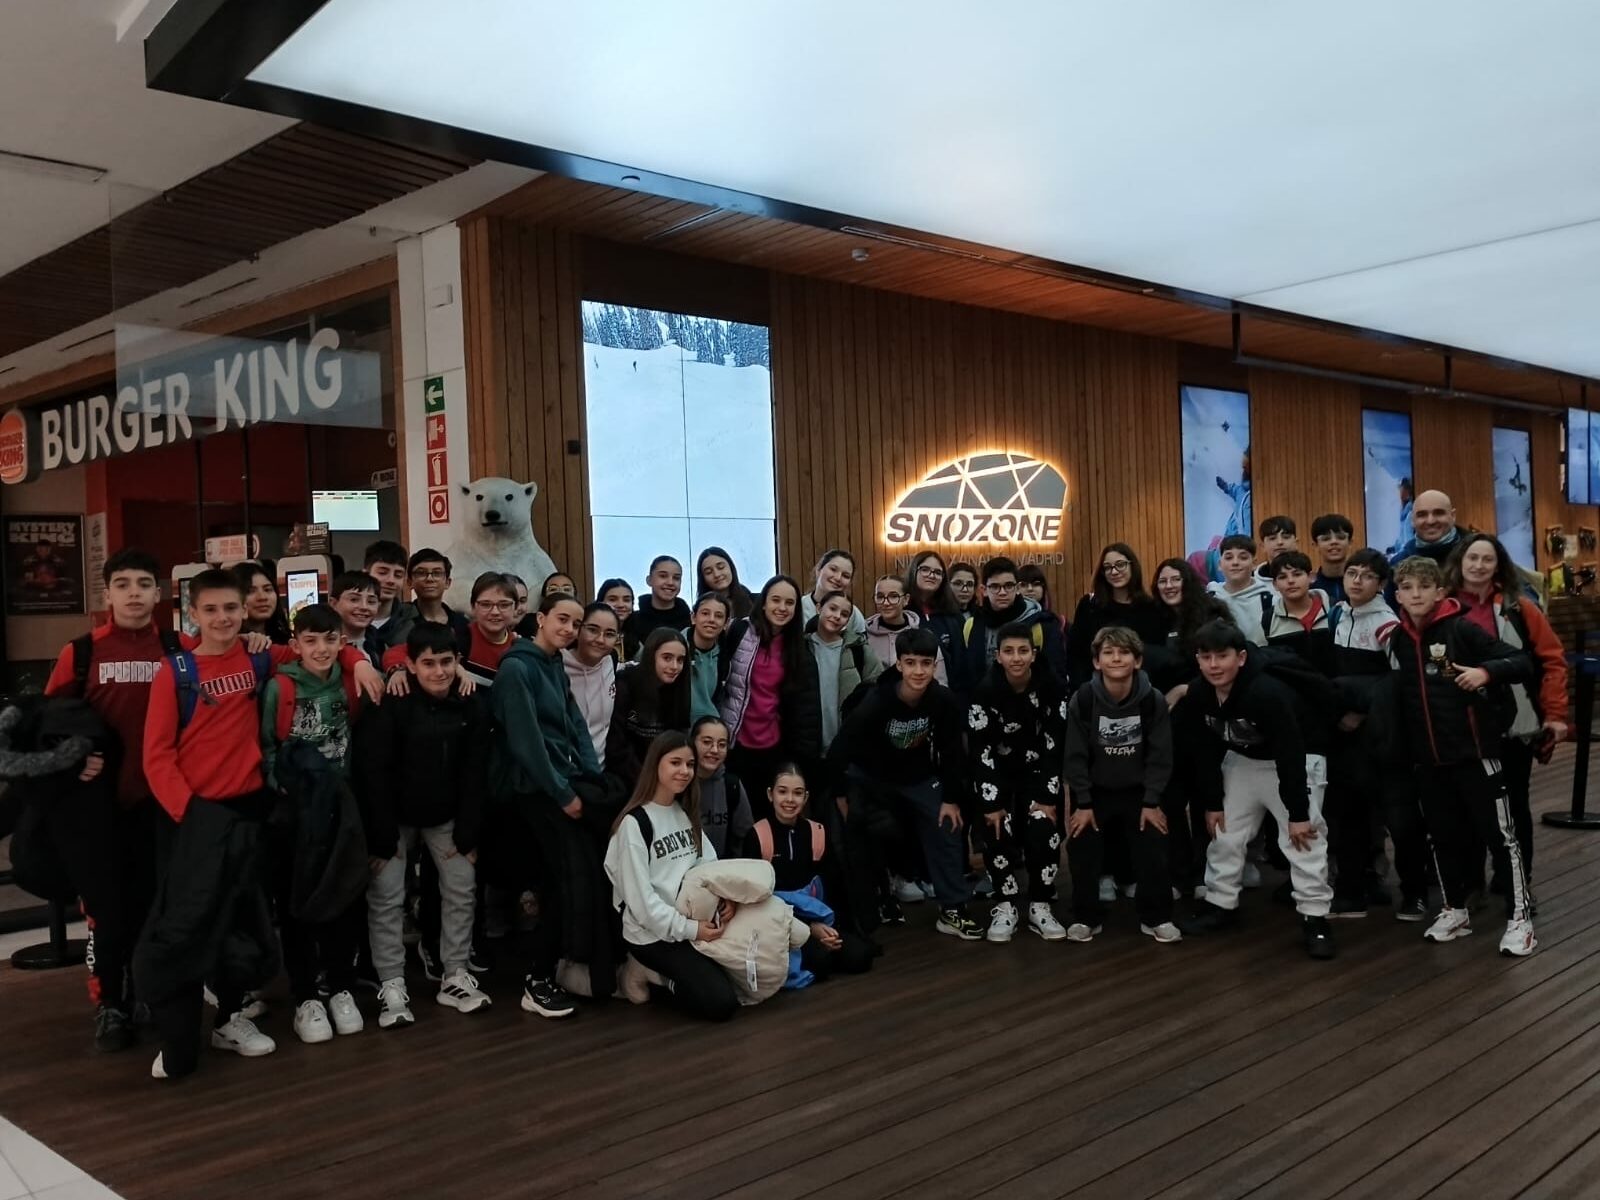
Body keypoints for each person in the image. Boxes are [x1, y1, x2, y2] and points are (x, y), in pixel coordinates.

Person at [137, 569, 379, 1079]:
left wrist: (360, 662)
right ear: (193, 613)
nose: (223, 618)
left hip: (253, 809)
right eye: (211, 610)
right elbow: (156, 755)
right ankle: (178, 1036)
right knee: (189, 926)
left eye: (231, 608)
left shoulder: (259, 657)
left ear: (244, 609)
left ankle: (231, 1017)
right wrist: (190, 815)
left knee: (244, 921)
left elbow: (320, 649)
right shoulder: (174, 671)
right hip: (196, 816)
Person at [43, 548, 175, 1051]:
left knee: (153, 906)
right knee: (106, 913)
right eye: (123, 584)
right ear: (108, 594)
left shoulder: (177, 646)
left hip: (159, 802)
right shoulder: (80, 653)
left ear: (158, 593)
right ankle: (110, 1005)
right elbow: (48, 727)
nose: (134, 593)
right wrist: (75, 759)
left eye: (143, 583)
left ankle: (144, 993)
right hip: (99, 809)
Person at [1388, 555, 1537, 955]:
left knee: (1500, 837)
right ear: (1398, 595)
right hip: (1430, 761)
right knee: (1442, 837)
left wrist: (1485, 672)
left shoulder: (1461, 628)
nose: (1415, 594)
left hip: (1476, 754)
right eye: (1407, 588)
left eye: (1424, 587)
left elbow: (1521, 661)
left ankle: (1520, 919)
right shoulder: (1399, 639)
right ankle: (1455, 910)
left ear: (1440, 592)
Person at [1173, 620, 1337, 960]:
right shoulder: (1200, 693)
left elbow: (1290, 751)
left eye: (1222, 656)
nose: (1214, 665)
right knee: (1225, 832)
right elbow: (1204, 750)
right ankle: (1220, 904)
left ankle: (1315, 917)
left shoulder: (1266, 692)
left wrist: (1297, 813)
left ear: (1241, 657)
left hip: (1296, 760)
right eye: (1206, 657)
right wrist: (1213, 802)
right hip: (1245, 757)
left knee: (1302, 838)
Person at [355, 621, 491, 1028]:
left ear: (457, 662)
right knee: (386, 896)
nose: (439, 671)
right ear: (410, 665)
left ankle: (455, 974)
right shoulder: (390, 701)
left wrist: (468, 832)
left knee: (462, 887)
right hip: (393, 817)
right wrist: (381, 838)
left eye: (446, 662)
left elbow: (475, 771)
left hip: (445, 814)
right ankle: (392, 984)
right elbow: (373, 772)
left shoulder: (470, 702)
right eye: (428, 663)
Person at [490, 593, 616, 1019]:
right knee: (559, 884)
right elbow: (526, 744)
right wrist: (564, 795)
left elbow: (575, 724)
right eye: (562, 619)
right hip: (535, 793)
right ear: (540, 619)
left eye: (576, 623)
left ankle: (559, 966)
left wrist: (591, 777)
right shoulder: (516, 668)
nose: (570, 629)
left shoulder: (553, 664)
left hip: (564, 784)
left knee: (572, 881)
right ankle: (537, 978)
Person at [827, 627, 981, 940]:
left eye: (925, 663)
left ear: (935, 666)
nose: (918, 671)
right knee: (860, 828)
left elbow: (952, 751)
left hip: (918, 776)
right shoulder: (876, 700)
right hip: (870, 776)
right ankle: (874, 903)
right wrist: (841, 794)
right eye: (910, 663)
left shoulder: (943, 700)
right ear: (899, 665)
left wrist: (951, 799)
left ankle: (952, 909)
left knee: (948, 823)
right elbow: (840, 750)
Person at [259, 603, 367, 1047]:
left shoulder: (349, 681)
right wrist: (281, 787)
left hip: (339, 807)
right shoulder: (280, 687)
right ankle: (305, 995)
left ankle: (341, 986)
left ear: (341, 642)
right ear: (296, 644)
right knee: (295, 902)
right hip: (295, 812)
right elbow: (266, 746)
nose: (321, 648)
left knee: (343, 897)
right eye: (311, 640)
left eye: (329, 639)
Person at [1445, 533, 1568, 898]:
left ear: (1499, 565)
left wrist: (1556, 714)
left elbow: (1552, 660)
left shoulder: (1520, 608)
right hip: (1459, 725)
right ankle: (1470, 884)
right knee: (1464, 808)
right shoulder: (1443, 606)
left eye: (1487, 559)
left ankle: (1514, 882)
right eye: (1472, 558)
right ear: (1460, 561)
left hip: (1514, 724)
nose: (1479, 565)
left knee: (1514, 805)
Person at [604, 732, 738, 1022]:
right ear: (656, 765)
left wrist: (725, 898)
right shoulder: (634, 825)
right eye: (675, 762)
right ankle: (648, 973)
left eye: (689, 764)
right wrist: (692, 930)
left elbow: (709, 866)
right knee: (720, 1003)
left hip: (690, 923)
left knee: (741, 981)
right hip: (652, 935)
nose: (684, 771)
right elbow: (643, 906)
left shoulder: (684, 811)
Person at [1063, 627, 1179, 943]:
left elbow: (1160, 756)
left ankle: (1157, 917)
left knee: (1154, 843)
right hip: (1095, 791)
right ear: (1096, 662)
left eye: (1124, 652)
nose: (1116, 658)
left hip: (1139, 791)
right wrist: (1083, 803)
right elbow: (1074, 756)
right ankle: (1086, 916)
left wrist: (1152, 801)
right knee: (1081, 845)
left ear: (1137, 661)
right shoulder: (1083, 699)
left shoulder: (1153, 700)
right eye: (1109, 652)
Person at [1324, 549, 1421, 920]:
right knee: (1348, 813)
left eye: (1366, 575)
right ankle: (1352, 890)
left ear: (1381, 584)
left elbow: (1398, 682)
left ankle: (1414, 893)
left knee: (1398, 816)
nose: (1357, 581)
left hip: (1383, 734)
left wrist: (1362, 712)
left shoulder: (1388, 625)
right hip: (1346, 736)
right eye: (1352, 573)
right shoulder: (1338, 614)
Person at [967, 621, 1069, 943]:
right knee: (996, 827)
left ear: (1034, 654)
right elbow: (980, 750)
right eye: (1008, 651)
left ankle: (1040, 903)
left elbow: (1055, 745)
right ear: (998, 656)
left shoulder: (1052, 686)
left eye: (1023, 651)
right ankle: (1006, 902)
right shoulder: (984, 691)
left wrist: (1048, 798)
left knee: (1043, 827)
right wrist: (992, 804)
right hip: (996, 773)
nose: (1016, 658)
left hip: (1038, 772)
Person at [1145, 556, 1233, 897]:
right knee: (1170, 799)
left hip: (1205, 717)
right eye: (1162, 580)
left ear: (1187, 580)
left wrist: (1185, 689)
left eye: (1175, 579)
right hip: (1164, 721)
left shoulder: (1212, 613)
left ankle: (1203, 873)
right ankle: (1177, 873)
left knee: (1204, 798)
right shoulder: (1152, 619)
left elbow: (1223, 666)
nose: (1168, 586)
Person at [745, 764, 876, 977]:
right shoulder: (757, 835)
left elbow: (835, 887)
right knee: (821, 962)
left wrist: (829, 928)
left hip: (819, 918)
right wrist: (809, 928)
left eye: (797, 793)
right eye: (782, 791)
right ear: (770, 794)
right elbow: (756, 900)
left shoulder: (817, 832)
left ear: (806, 797)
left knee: (860, 957)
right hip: (779, 925)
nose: (790, 799)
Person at [719, 575, 823, 800]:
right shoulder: (739, 631)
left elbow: (805, 712)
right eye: (776, 600)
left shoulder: (799, 651)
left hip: (773, 746)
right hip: (734, 742)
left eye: (789, 602)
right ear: (764, 603)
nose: (782, 608)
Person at [952, 556, 1069, 695]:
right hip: (983, 703)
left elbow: (1057, 677)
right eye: (995, 587)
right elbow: (965, 676)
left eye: (1008, 586)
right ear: (984, 590)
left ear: (1017, 588)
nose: (1002, 592)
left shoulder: (1042, 624)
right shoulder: (971, 625)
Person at [1065, 544, 1168, 686]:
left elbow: (1157, 654)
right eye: (1107, 567)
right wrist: (1082, 689)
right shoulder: (1090, 606)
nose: (1114, 572)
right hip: (1095, 688)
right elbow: (1076, 653)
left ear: (1132, 566)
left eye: (1120, 565)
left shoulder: (1151, 608)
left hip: (1141, 688)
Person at [607, 628, 692, 788]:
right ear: (651, 656)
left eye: (680, 660)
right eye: (667, 658)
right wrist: (645, 780)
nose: (675, 666)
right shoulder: (626, 683)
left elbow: (678, 739)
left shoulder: (679, 689)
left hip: (663, 776)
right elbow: (616, 743)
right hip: (625, 776)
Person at [806, 590, 883, 754]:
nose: (837, 616)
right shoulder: (800, 648)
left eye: (844, 614)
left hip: (847, 745)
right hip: (807, 744)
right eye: (832, 608)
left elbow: (878, 690)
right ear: (819, 608)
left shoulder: (859, 650)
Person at [564, 602, 619, 770]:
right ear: (578, 630)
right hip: (566, 771)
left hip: (601, 770)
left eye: (609, 634)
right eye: (593, 630)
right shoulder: (557, 666)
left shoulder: (610, 662)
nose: (600, 640)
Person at [864, 573, 947, 682]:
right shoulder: (864, 636)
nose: (886, 602)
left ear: (906, 599)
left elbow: (939, 680)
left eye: (893, 596)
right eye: (880, 597)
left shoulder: (924, 636)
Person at [1263, 551, 1334, 676]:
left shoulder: (1335, 610)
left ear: (1311, 577)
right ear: (1274, 584)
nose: (1290, 581)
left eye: (1297, 574)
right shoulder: (1268, 620)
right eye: (1282, 577)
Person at [692, 715, 754, 859]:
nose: (714, 750)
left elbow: (745, 835)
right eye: (707, 742)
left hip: (724, 866)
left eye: (721, 744)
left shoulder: (731, 785)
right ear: (692, 742)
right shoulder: (680, 782)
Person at [383, 548, 470, 648]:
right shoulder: (398, 619)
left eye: (437, 573)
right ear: (409, 582)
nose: (429, 579)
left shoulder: (461, 624)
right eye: (421, 573)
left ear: (447, 582)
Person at [1206, 534, 1272, 645]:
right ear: (1220, 565)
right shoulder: (1208, 600)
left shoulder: (1270, 601)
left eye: (1243, 557)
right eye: (1229, 558)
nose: (1235, 562)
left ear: (1254, 563)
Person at [622, 556, 692, 660]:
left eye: (676, 578)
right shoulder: (632, 621)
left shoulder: (690, 621)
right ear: (649, 580)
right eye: (663, 576)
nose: (670, 582)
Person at [461, 572, 521, 686]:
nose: (495, 612)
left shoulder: (519, 649)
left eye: (504, 605)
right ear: (473, 607)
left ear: (516, 608)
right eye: (486, 604)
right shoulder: (459, 638)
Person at [904, 550, 963, 656]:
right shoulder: (902, 611)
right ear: (914, 571)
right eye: (925, 569)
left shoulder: (953, 614)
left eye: (937, 572)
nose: (931, 575)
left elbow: (961, 656)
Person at [686, 592, 731, 722]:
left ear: (726, 623)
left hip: (707, 727)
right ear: (693, 617)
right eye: (705, 613)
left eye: (718, 616)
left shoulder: (724, 660)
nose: (711, 619)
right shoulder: (675, 647)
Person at [801, 549, 867, 636]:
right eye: (833, 569)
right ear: (818, 570)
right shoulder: (799, 606)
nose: (838, 578)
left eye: (845, 576)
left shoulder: (854, 614)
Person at [1390, 489, 1464, 565]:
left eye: (1438, 513)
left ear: (1453, 516)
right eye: (1422, 515)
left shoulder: (1470, 554)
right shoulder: (1398, 564)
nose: (1430, 521)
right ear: (1412, 520)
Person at [329, 570, 384, 668]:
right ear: (333, 603)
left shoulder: (382, 645)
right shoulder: (323, 647)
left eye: (371, 602)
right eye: (354, 599)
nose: (364, 607)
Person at [363, 540, 410, 647]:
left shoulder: (411, 624)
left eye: (398, 575)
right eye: (382, 573)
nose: (391, 580)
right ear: (366, 574)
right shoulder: (346, 622)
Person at [235, 561, 291, 645]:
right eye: (250, 591)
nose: (262, 597)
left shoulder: (286, 640)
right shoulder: (230, 644)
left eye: (267, 589)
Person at [697, 547, 756, 620]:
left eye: (721, 567)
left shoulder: (756, 602)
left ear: (731, 567)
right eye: (708, 572)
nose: (716, 574)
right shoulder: (699, 612)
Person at [1309, 514, 1355, 604]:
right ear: (1315, 545)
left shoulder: (1362, 585)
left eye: (1341, 537)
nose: (1334, 542)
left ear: (1350, 542)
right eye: (1326, 539)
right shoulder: (1310, 589)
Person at [1254, 516, 1299, 583]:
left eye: (1286, 537)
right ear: (1263, 546)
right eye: (1272, 538)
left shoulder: (1310, 580)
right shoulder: (1252, 582)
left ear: (1296, 542)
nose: (1280, 542)